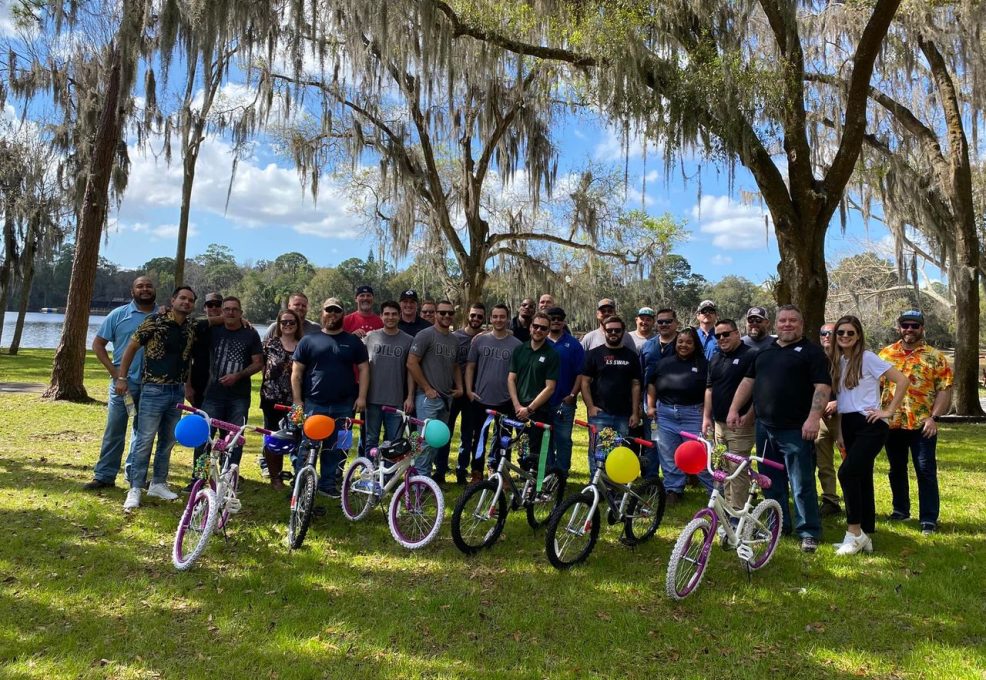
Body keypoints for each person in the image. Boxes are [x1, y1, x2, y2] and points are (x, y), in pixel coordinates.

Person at [727, 304, 831, 553]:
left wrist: (814, 418)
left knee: (801, 482)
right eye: (783, 320)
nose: (787, 324)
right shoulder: (763, 353)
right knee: (769, 482)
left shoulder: (812, 353)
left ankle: (808, 531)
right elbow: (748, 382)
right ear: (775, 324)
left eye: (792, 320)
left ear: (802, 324)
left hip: (796, 429)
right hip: (765, 428)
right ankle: (778, 524)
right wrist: (734, 409)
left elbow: (822, 388)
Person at [827, 315, 908, 555]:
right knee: (861, 477)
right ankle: (866, 534)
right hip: (848, 424)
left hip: (871, 424)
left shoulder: (868, 358)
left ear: (858, 335)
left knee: (847, 472)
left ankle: (853, 533)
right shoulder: (838, 361)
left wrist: (889, 411)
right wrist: (840, 432)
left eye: (850, 333)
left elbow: (902, 381)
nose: (844, 337)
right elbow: (842, 402)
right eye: (840, 333)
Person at [116, 286, 198, 511]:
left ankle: (159, 483)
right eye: (182, 298)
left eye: (190, 300)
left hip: (176, 391)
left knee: (168, 440)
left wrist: (188, 386)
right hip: (153, 389)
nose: (186, 302)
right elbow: (131, 347)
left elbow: (188, 359)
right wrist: (122, 378)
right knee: (144, 439)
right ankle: (135, 487)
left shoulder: (191, 327)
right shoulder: (155, 321)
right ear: (173, 300)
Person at [879, 310, 953, 535]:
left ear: (922, 328)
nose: (909, 329)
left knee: (925, 470)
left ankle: (928, 518)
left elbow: (944, 390)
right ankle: (900, 510)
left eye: (914, 325)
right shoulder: (885, 354)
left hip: (923, 424)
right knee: (896, 469)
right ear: (899, 327)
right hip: (893, 423)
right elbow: (875, 385)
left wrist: (934, 417)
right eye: (905, 325)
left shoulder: (935, 356)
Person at [291, 297, 369, 498]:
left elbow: (364, 368)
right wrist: (298, 400)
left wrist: (362, 397)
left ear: (343, 314)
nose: (332, 314)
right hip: (314, 404)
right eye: (329, 310)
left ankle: (328, 484)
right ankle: (301, 485)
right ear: (322, 313)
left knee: (338, 447)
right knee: (308, 447)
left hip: (345, 405)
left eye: (337, 310)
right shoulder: (309, 340)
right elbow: (297, 372)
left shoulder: (353, 342)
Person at [84, 276, 157, 490]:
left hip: (152, 386)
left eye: (148, 286)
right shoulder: (118, 315)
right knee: (115, 429)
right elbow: (98, 345)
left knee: (142, 433)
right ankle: (104, 476)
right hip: (123, 385)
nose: (145, 289)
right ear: (132, 290)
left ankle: (135, 476)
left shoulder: (163, 316)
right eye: (140, 286)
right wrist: (115, 372)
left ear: (155, 290)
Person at [188, 296, 263, 490]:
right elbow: (191, 323)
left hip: (239, 396)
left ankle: (228, 480)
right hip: (212, 394)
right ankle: (199, 478)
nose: (230, 312)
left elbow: (258, 362)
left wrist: (238, 376)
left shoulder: (250, 334)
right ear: (222, 312)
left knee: (234, 439)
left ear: (241, 313)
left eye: (234, 310)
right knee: (205, 437)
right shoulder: (213, 331)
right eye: (227, 309)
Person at [648, 327, 713, 504]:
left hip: (693, 415)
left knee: (699, 454)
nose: (684, 345)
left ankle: (714, 491)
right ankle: (673, 490)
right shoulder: (664, 363)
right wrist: (651, 406)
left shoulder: (704, 365)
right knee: (668, 454)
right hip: (666, 414)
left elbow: (709, 390)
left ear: (695, 345)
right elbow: (652, 384)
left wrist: (707, 414)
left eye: (689, 342)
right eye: (680, 342)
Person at [702, 318, 756, 509]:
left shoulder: (751, 355)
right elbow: (709, 389)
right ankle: (729, 512)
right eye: (718, 336)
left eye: (726, 334)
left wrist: (750, 414)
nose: (722, 338)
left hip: (740, 425)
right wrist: (706, 417)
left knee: (737, 471)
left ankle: (739, 516)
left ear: (737, 333)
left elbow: (757, 389)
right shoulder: (715, 358)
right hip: (718, 424)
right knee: (722, 469)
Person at [406, 299, 463, 477]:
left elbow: (455, 366)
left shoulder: (454, 340)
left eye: (450, 313)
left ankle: (422, 477)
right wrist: (427, 388)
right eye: (442, 312)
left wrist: (460, 387)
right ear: (436, 314)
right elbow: (411, 363)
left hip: (446, 398)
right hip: (427, 398)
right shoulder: (425, 335)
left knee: (437, 441)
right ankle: (419, 483)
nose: (447, 316)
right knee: (424, 441)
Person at [466, 303, 522, 482]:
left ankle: (500, 473)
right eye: (495, 316)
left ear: (507, 318)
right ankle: (476, 472)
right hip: (481, 398)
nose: (498, 320)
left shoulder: (517, 345)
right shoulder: (480, 340)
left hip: (505, 400)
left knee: (504, 438)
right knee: (479, 437)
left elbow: (518, 374)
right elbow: (470, 367)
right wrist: (469, 390)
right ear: (491, 319)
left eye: (502, 316)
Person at [581, 315, 641, 471]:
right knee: (597, 450)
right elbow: (585, 382)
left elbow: (635, 385)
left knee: (619, 451)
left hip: (624, 414)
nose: (613, 333)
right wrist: (590, 407)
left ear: (623, 332)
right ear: (604, 331)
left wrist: (635, 412)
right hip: (600, 413)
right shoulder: (594, 354)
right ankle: (596, 486)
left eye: (617, 330)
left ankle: (615, 485)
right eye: (609, 330)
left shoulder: (631, 356)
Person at [438, 302, 485, 484]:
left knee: (468, 435)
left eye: (479, 316)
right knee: (445, 432)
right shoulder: (455, 337)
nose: (475, 319)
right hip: (454, 392)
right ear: (468, 315)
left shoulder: (485, 339)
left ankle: (461, 470)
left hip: (473, 394)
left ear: (483, 319)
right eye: (473, 315)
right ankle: (440, 470)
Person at [508, 311, 559, 472]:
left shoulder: (552, 355)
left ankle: (536, 488)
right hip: (518, 409)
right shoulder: (519, 350)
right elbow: (511, 379)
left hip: (537, 411)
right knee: (522, 447)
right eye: (535, 326)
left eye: (543, 328)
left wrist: (529, 409)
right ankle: (524, 480)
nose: (538, 330)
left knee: (536, 452)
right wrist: (517, 406)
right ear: (530, 328)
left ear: (548, 331)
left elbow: (550, 387)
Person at [260, 308, 304, 490]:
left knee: (296, 438)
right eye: (283, 322)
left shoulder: (304, 345)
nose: (287, 325)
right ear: (278, 325)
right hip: (272, 399)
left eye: (291, 322)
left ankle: (298, 476)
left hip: (296, 401)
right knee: (273, 437)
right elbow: (261, 366)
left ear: (297, 325)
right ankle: (275, 477)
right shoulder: (270, 344)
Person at [544, 306, 584, 502]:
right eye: (553, 318)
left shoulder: (574, 344)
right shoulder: (540, 341)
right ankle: (549, 476)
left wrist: (572, 394)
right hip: (543, 402)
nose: (556, 321)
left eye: (560, 318)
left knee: (563, 440)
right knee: (546, 440)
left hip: (564, 402)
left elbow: (580, 373)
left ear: (564, 321)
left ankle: (562, 476)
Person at [364, 301, 414, 451]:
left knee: (394, 442)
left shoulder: (408, 340)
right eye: (386, 314)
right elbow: (361, 365)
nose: (390, 317)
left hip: (396, 400)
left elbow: (411, 370)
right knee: (371, 440)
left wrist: (410, 396)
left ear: (399, 316)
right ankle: (369, 472)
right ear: (381, 316)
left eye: (393, 314)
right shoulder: (370, 337)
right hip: (372, 399)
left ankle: (388, 474)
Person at [815, 322, 844, 516]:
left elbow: (859, 390)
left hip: (844, 418)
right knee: (823, 462)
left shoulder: (847, 360)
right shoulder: (815, 359)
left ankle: (856, 500)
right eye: (823, 333)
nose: (827, 336)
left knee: (849, 461)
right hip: (820, 418)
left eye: (831, 333)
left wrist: (838, 403)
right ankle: (830, 500)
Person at [188, 292, 225, 408]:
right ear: (204, 308)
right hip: (199, 384)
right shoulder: (195, 327)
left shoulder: (232, 328)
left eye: (218, 304)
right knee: (202, 423)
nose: (214, 307)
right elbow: (187, 358)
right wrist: (187, 386)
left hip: (225, 388)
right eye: (210, 305)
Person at [641, 307, 679, 388]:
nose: (664, 324)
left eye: (668, 321)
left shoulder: (686, 345)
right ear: (656, 324)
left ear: (676, 323)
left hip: (676, 398)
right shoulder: (647, 345)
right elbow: (639, 375)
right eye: (660, 322)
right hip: (649, 397)